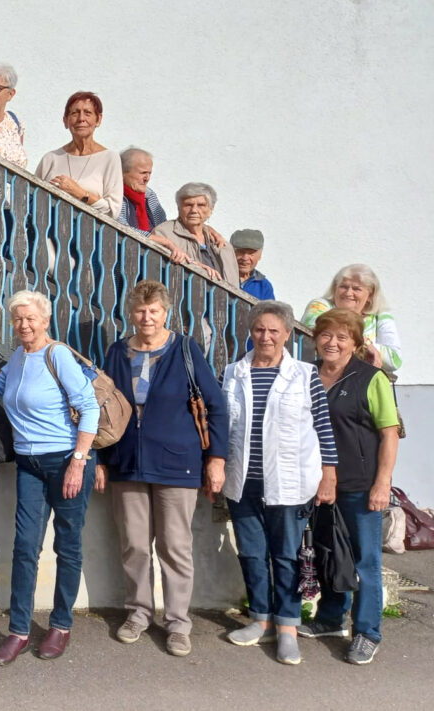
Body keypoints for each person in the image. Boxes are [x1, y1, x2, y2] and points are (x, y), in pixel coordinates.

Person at [99, 280, 229, 657]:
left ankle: (177, 623)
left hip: (177, 464)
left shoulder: (185, 349)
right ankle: (138, 613)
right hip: (126, 462)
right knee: (135, 545)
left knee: (174, 546)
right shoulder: (117, 351)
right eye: (140, 310)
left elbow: (216, 406)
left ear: (166, 312)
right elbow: (101, 408)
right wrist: (101, 460)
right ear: (130, 313)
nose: (147, 317)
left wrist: (216, 459)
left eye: (154, 310)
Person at [221, 301, 338, 666]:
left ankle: (287, 627)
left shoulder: (304, 374)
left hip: (290, 483)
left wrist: (329, 475)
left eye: (274, 330)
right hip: (243, 482)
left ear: (287, 334)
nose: (266, 337)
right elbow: (223, 426)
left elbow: (323, 427)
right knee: (252, 554)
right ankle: (261, 619)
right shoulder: (233, 373)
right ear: (250, 332)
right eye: (259, 329)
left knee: (286, 556)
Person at [0, 290, 99, 666]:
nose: (23, 325)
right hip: (29, 465)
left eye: (30, 318)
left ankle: (60, 625)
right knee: (25, 548)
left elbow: (89, 408)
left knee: (67, 546)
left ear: (45, 321)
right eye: (18, 319)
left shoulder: (58, 355)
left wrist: (78, 462)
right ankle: (19, 631)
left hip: (66, 461)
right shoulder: (18, 357)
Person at [297, 309, 400, 665]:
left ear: (355, 343)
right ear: (315, 339)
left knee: (365, 561)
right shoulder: (306, 374)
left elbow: (389, 434)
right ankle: (330, 618)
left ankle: (367, 632)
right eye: (326, 335)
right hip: (317, 484)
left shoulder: (371, 378)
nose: (333, 343)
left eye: (342, 337)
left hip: (360, 485)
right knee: (328, 552)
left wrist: (382, 483)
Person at [301, 264, 401, 375]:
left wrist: (365, 345)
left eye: (356, 289)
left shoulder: (380, 317)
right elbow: (313, 335)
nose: (348, 293)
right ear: (335, 289)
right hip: (319, 375)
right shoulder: (320, 305)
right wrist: (365, 344)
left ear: (370, 295)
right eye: (343, 287)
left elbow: (395, 360)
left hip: (362, 378)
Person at [34, 91, 122, 216]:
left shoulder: (109, 158)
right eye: (75, 113)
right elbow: (33, 198)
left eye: (88, 113)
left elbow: (112, 211)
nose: (81, 119)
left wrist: (79, 193)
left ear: (98, 119)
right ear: (65, 121)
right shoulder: (51, 158)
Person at [152, 183, 238, 284]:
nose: (194, 210)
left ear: (211, 210)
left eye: (201, 205)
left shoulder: (225, 247)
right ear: (179, 208)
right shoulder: (164, 232)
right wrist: (196, 267)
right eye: (188, 205)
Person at [230, 229, 275, 299]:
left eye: (251, 253)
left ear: (260, 255)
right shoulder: (220, 275)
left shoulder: (264, 286)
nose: (245, 258)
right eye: (240, 252)